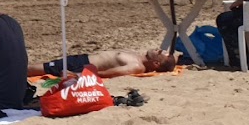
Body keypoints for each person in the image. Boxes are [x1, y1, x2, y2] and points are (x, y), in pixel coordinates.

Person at [29, 47, 179, 79]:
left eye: (160, 53)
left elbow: (109, 74)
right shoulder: (138, 57)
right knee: (42, 66)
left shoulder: (137, 66)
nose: (159, 49)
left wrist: (78, 75)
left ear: (156, 64)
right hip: (83, 58)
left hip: (81, 66)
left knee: (39, 69)